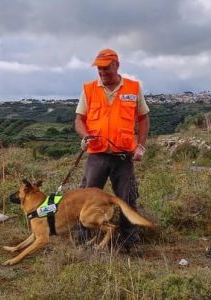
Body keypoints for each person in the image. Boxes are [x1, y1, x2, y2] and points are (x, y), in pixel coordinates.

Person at [74, 48, 150, 250]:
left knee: (126, 200)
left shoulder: (133, 88)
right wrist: (85, 136)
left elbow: (143, 118)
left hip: (123, 157)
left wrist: (140, 146)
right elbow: (79, 119)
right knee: (87, 199)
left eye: (106, 68)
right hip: (96, 155)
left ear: (117, 65)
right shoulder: (89, 89)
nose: (102, 73)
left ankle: (129, 243)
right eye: (99, 69)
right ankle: (83, 241)